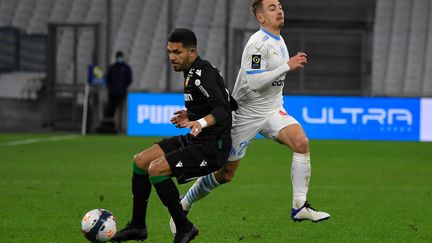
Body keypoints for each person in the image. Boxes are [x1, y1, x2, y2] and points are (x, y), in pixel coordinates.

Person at [170, 0, 330, 232]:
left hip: (273, 109)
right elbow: (254, 82)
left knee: (301, 143)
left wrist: (285, 67)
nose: (279, 10)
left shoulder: (279, 40)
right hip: (245, 115)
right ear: (261, 18)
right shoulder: (257, 44)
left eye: (280, 6)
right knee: (225, 174)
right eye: (272, 8)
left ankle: (299, 207)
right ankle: (184, 203)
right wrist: (287, 66)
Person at [112, 28, 235, 243]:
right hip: (196, 138)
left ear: (192, 51)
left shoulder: (202, 74)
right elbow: (228, 101)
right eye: (169, 52)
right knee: (140, 161)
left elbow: (225, 109)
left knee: (156, 169)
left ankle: (184, 227)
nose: (171, 57)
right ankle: (138, 226)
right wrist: (192, 114)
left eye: (177, 52)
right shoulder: (193, 71)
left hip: (212, 146)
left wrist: (200, 121)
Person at [99, 51, 132, 133]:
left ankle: (121, 129)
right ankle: (110, 129)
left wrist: (123, 87)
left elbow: (129, 79)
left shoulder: (126, 68)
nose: (119, 58)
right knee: (111, 111)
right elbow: (108, 79)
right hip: (112, 94)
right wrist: (111, 88)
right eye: (118, 57)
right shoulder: (112, 68)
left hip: (122, 94)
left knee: (121, 112)